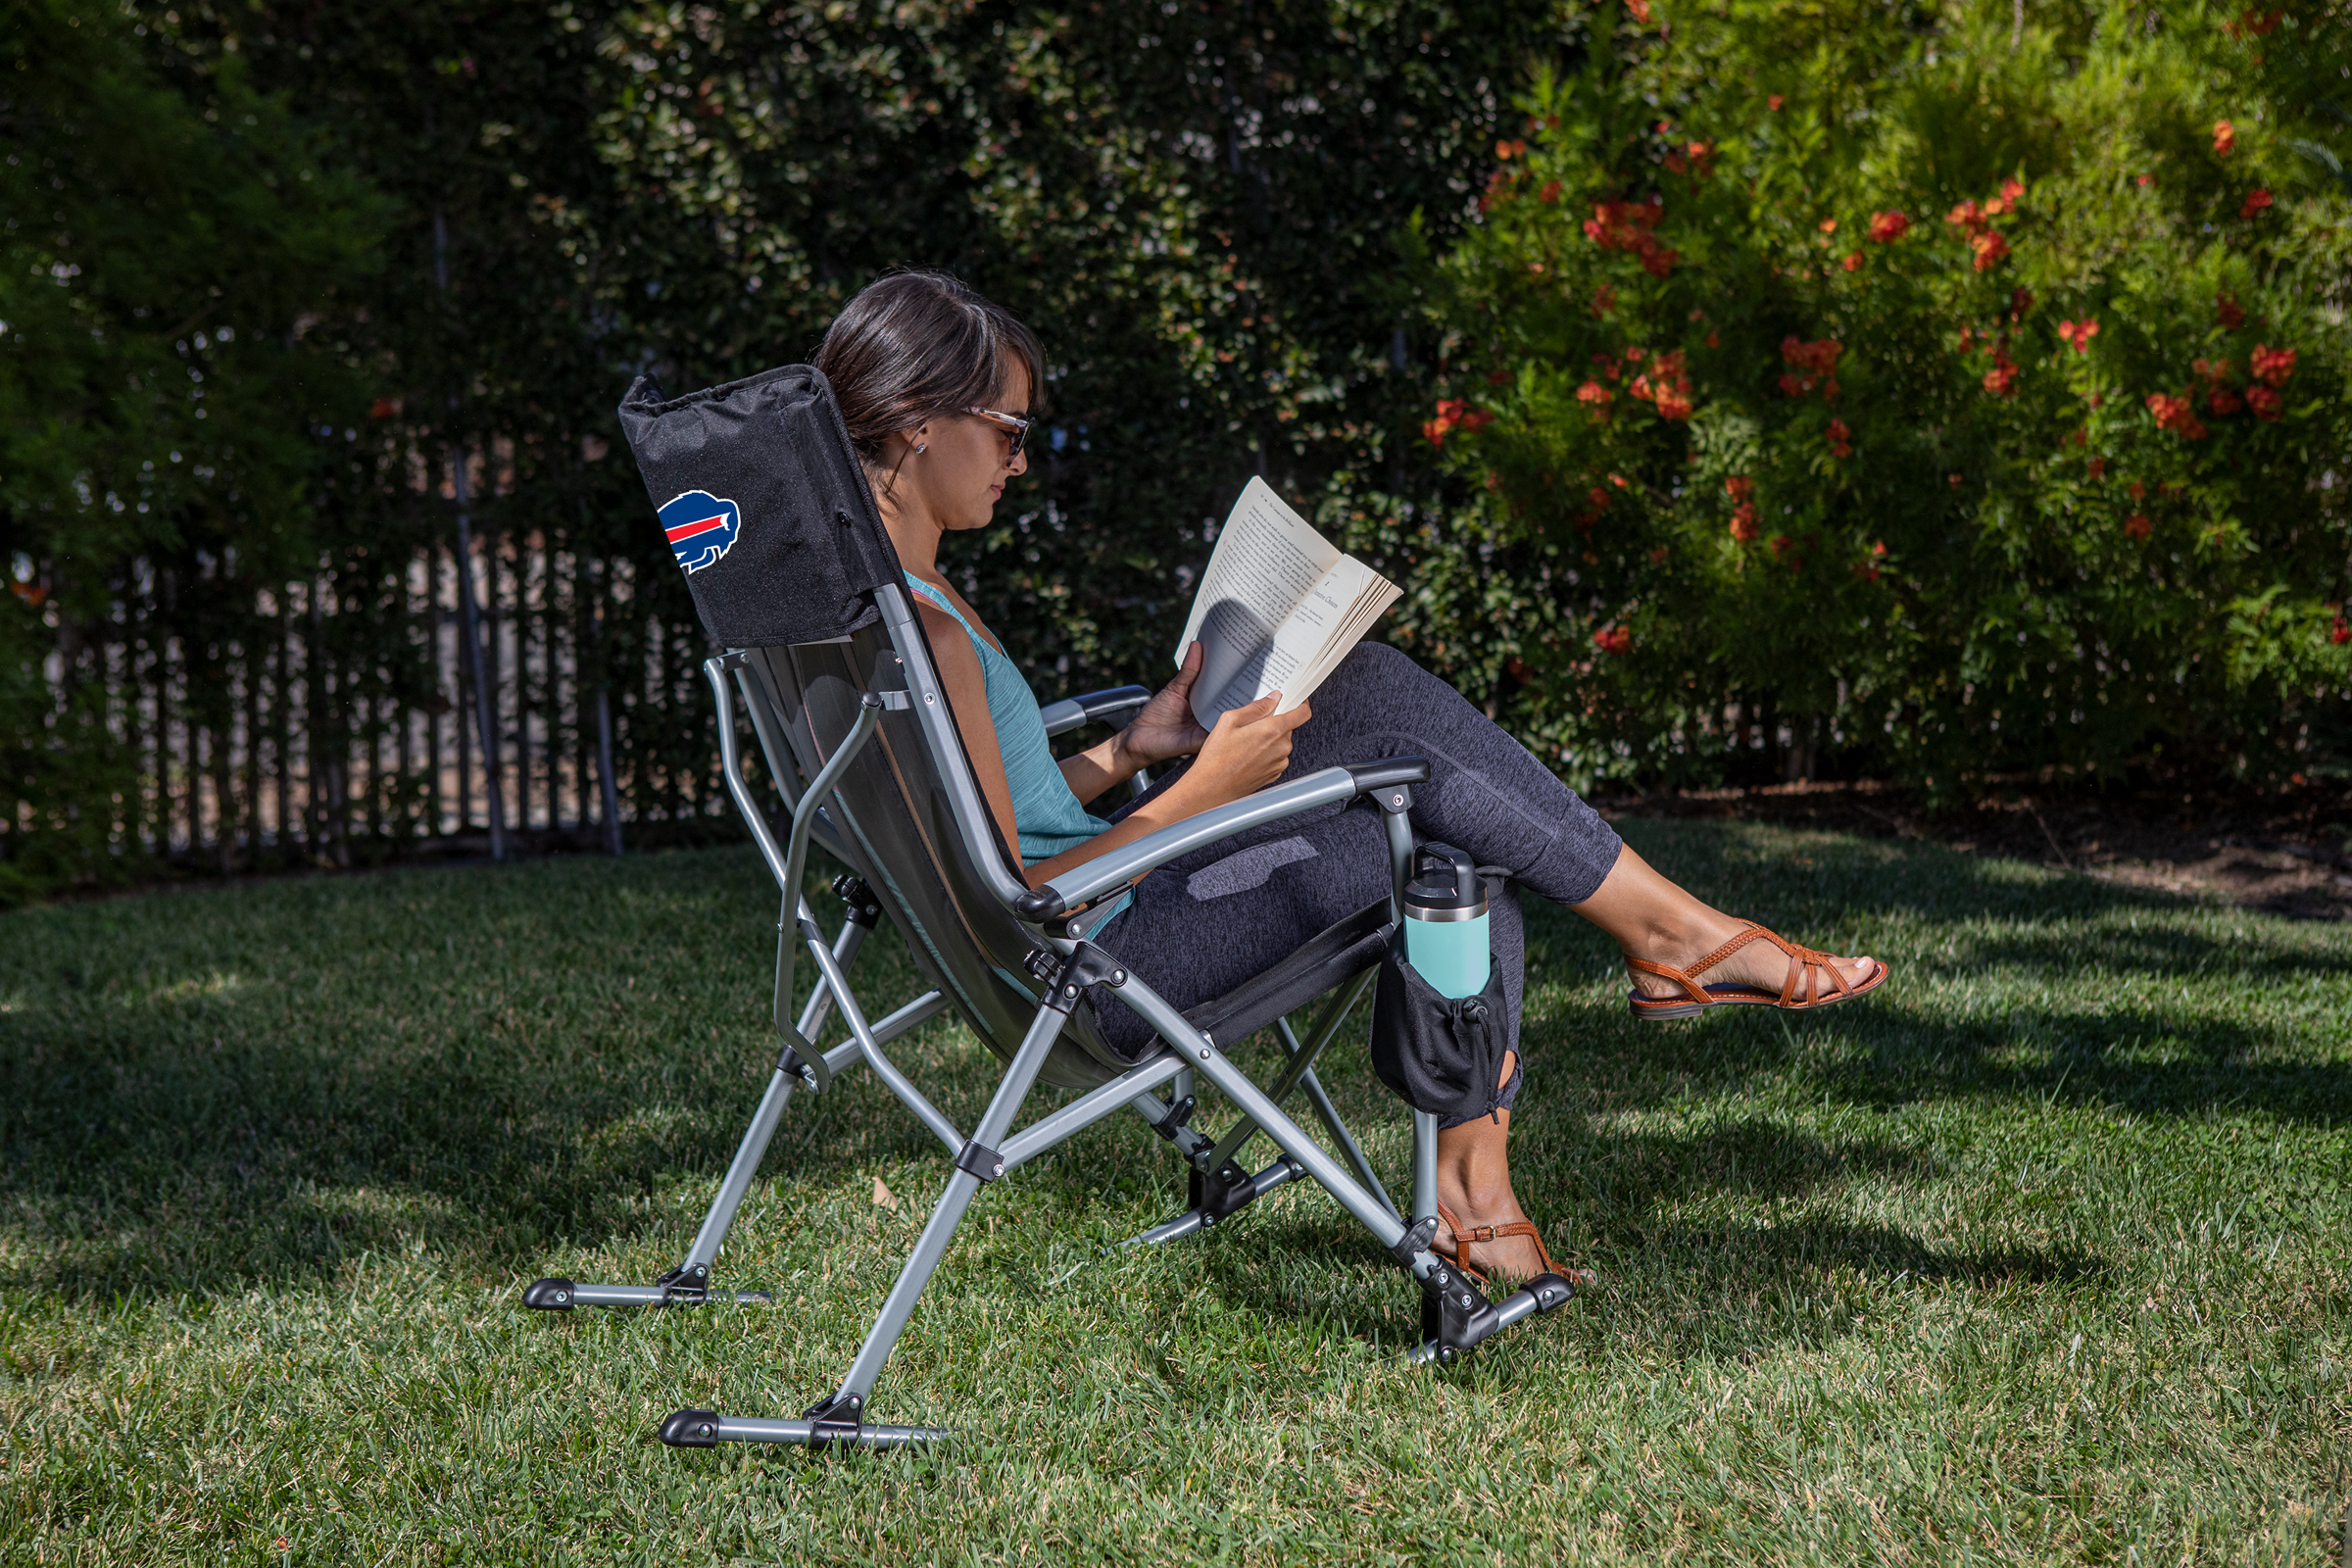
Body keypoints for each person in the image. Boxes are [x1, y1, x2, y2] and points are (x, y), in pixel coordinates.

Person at [814, 271, 1886, 1287]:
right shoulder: (928, 637)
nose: (1020, 460)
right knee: (1446, 832)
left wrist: (1137, 750)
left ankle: (1610, 1023)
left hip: (1072, 944)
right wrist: (1205, 789)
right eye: (1008, 429)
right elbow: (1022, 895)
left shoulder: (872, 615)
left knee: (1394, 736)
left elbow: (988, 821)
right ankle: (1599, 1037)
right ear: (917, 421)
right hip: (1103, 969)